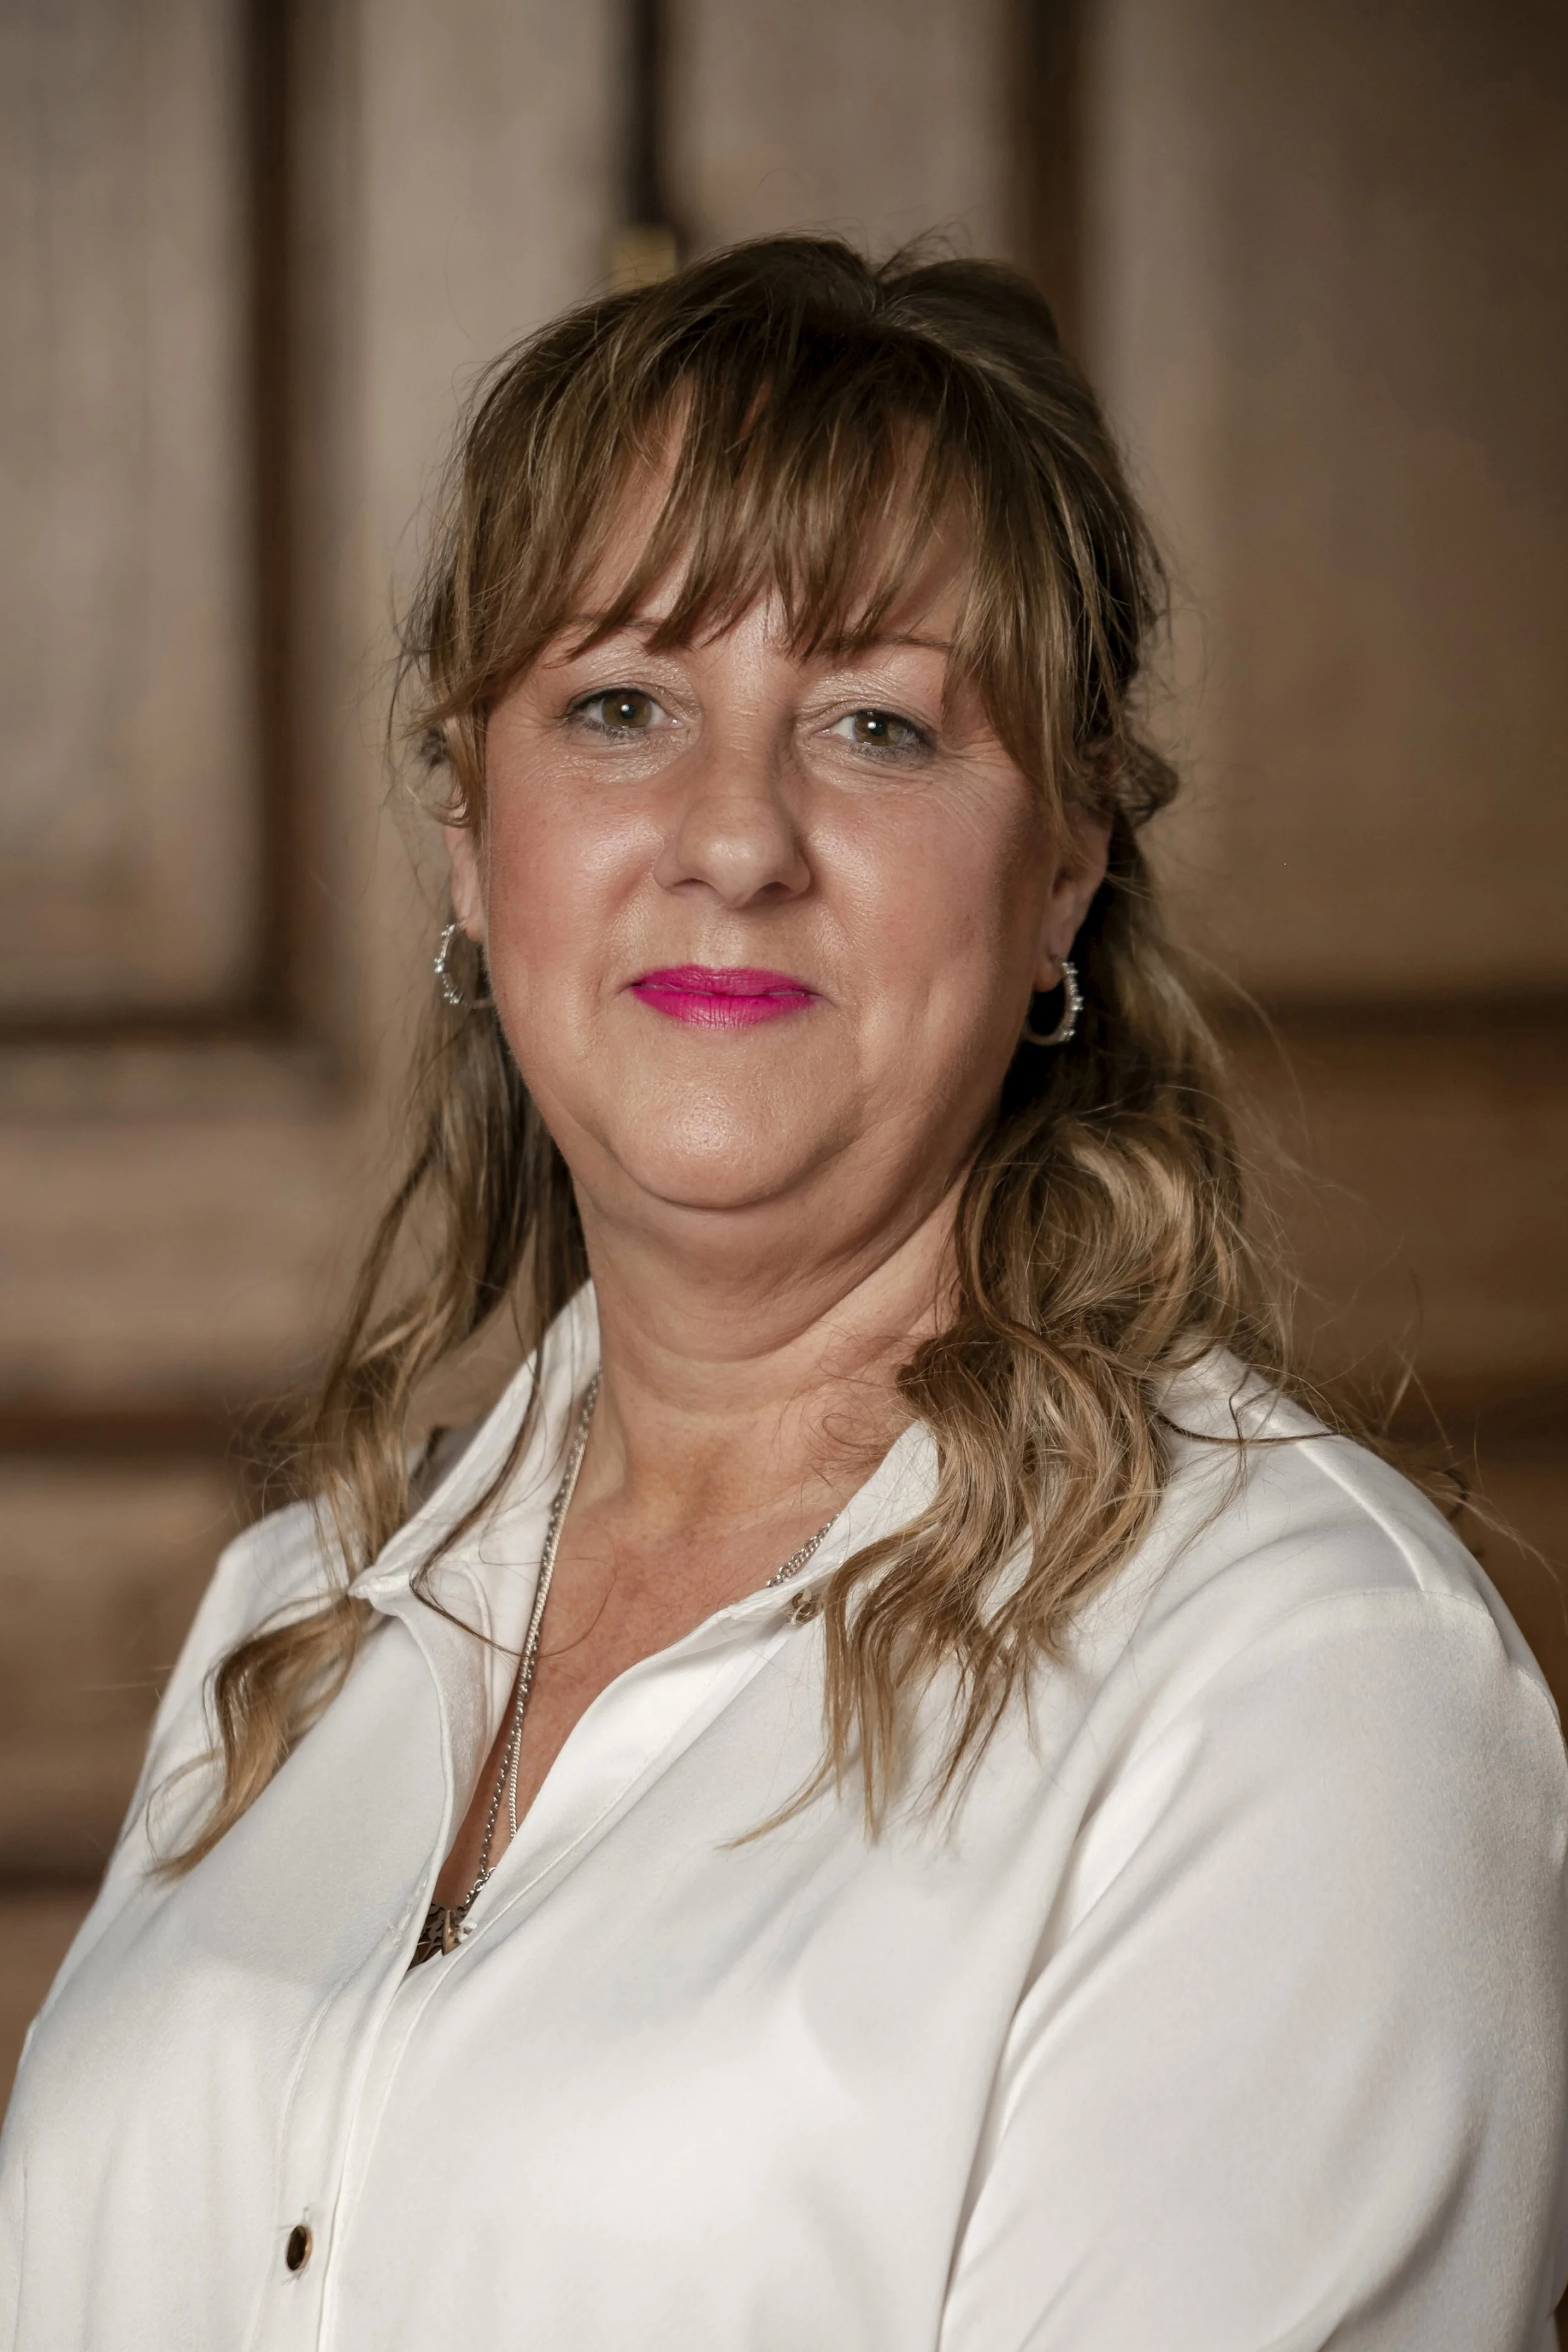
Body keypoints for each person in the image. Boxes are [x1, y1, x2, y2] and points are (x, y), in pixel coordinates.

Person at [1, 237, 1563, 2351]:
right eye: (622, 706)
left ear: (1067, 863)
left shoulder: (1293, 1682)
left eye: (877, 725)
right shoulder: (300, 1620)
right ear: (472, 832)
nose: (733, 837)